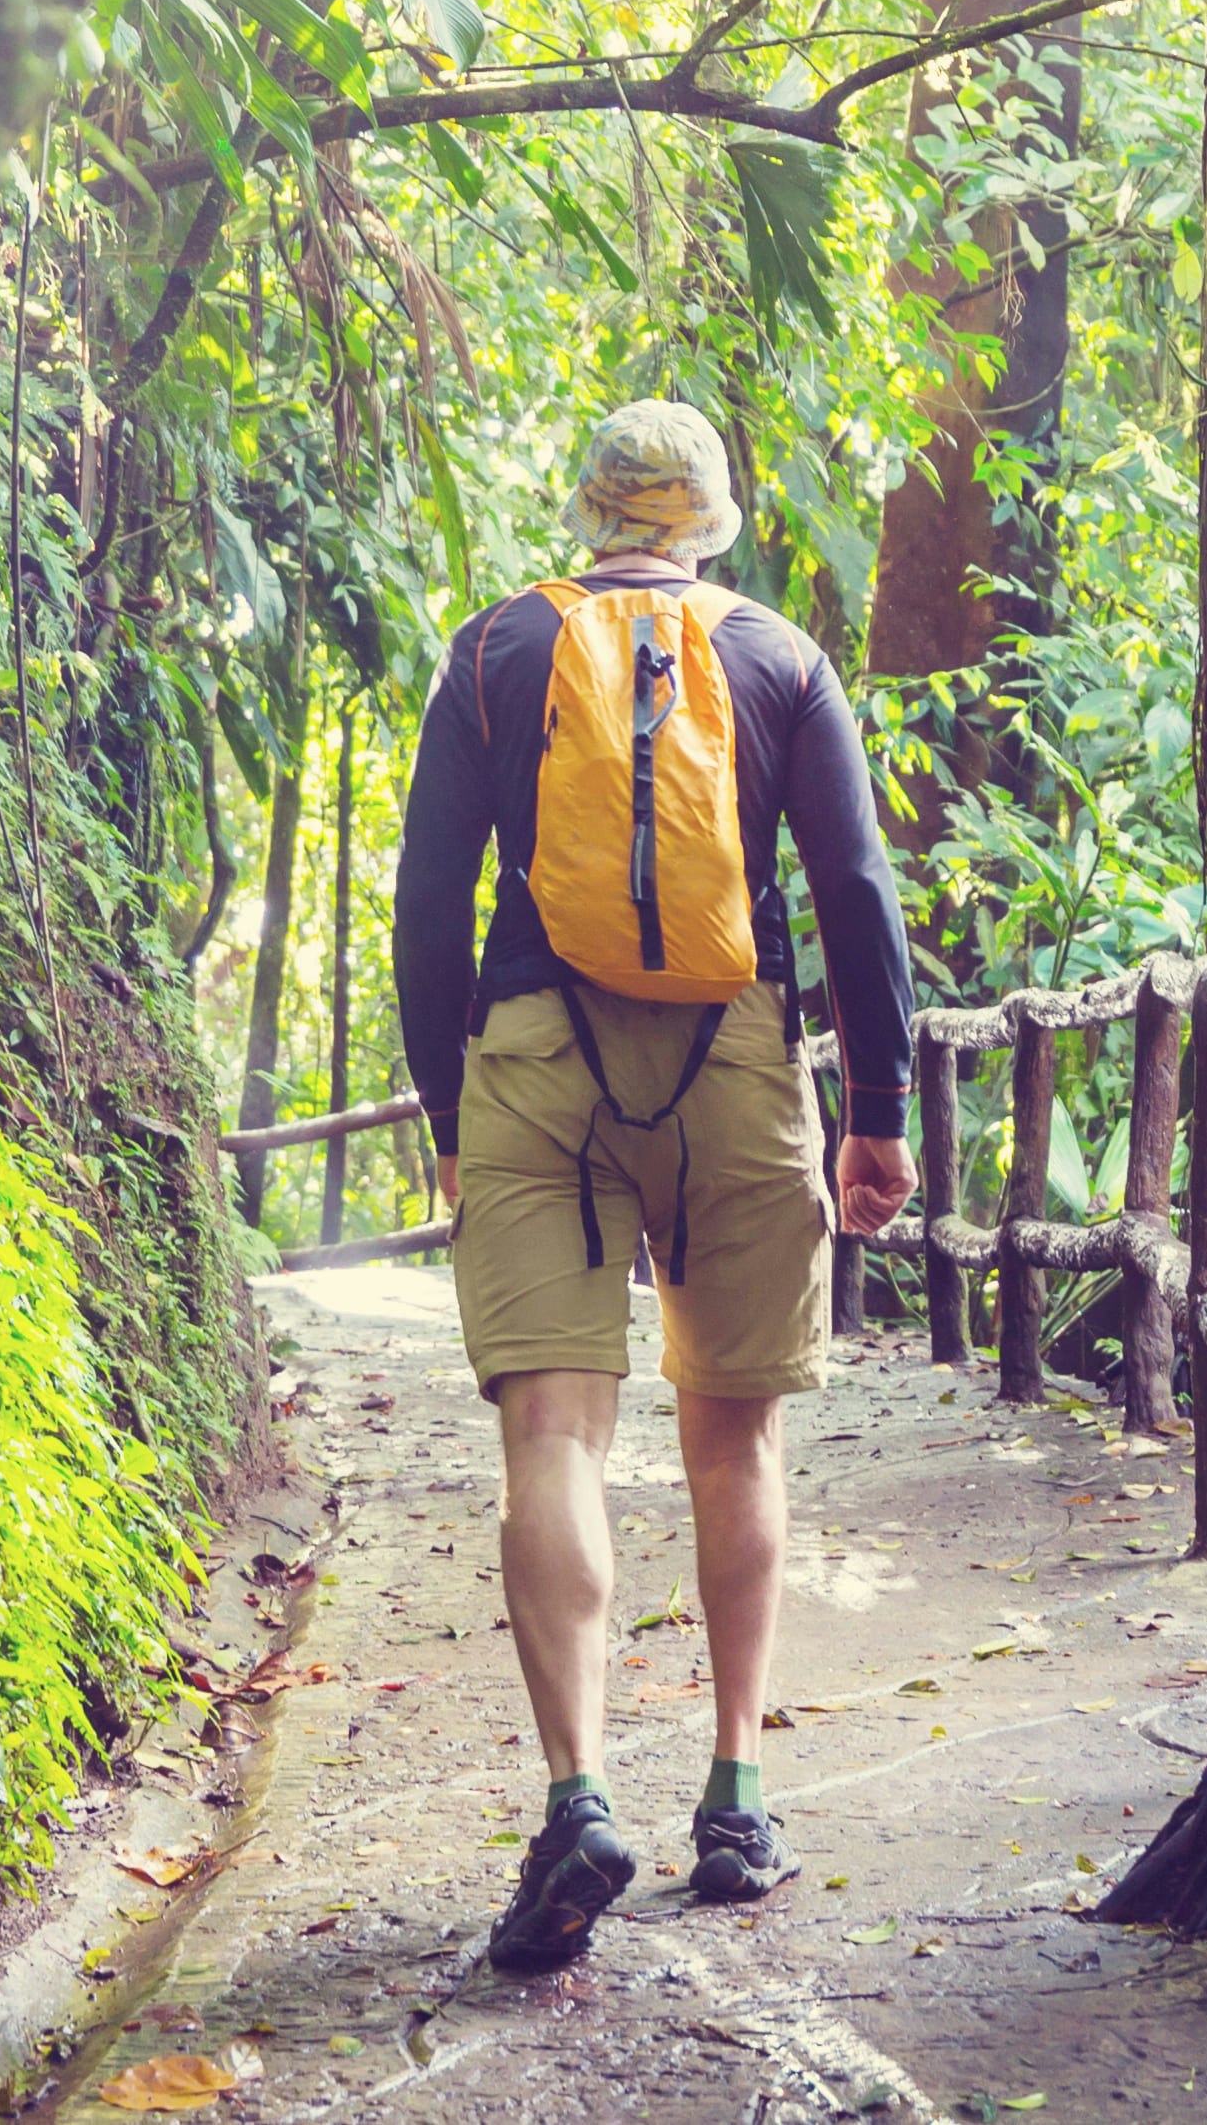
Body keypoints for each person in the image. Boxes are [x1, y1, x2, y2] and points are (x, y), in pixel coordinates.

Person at [392, 399, 921, 1973]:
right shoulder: (778, 659)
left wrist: (448, 1101)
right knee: (735, 1426)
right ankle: (740, 1796)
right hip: (738, 1060)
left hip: (534, 1056)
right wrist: (876, 1111)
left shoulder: (493, 653)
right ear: (710, 517)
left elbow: (430, 902)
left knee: (552, 1432)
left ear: (591, 511)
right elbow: (854, 888)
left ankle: (577, 1800)